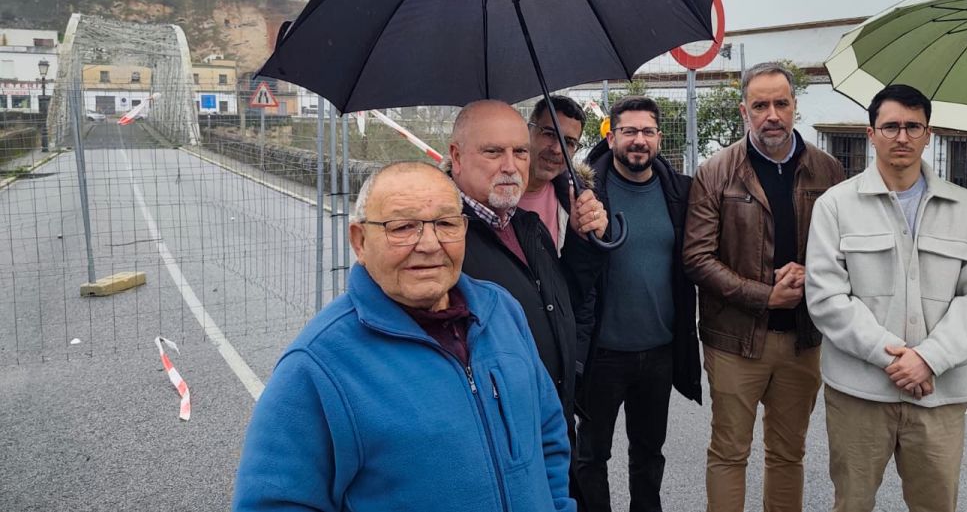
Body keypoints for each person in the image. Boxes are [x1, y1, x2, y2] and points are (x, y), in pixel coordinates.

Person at [232, 162, 573, 512]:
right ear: (360, 241)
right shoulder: (318, 365)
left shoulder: (502, 311)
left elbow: (547, 433)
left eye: (445, 224)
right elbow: (273, 502)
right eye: (403, 227)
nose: (429, 244)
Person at [804, 84, 967, 512]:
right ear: (870, 133)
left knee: (936, 505)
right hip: (860, 392)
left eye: (913, 126)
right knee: (852, 504)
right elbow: (826, 295)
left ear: (928, 134)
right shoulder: (836, 206)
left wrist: (929, 358)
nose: (902, 136)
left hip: (939, 393)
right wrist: (892, 358)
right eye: (891, 126)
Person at [682, 62, 844, 512]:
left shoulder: (828, 171)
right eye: (760, 105)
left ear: (794, 106)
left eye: (780, 103)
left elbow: (847, 250)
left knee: (789, 454)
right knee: (730, 454)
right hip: (735, 341)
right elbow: (696, 258)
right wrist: (763, 294)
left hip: (803, 340)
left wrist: (811, 273)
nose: (771, 114)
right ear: (744, 111)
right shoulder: (715, 173)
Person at [448, 100, 607, 506]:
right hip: (492, 445)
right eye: (492, 151)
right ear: (456, 157)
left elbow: (561, 300)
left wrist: (586, 242)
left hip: (549, 425)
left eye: (519, 152)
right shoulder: (442, 242)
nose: (510, 165)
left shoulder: (527, 226)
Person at [575, 96, 702, 512]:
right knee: (591, 458)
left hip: (658, 352)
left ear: (659, 138)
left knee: (649, 455)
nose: (638, 140)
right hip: (602, 354)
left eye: (647, 131)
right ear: (611, 137)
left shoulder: (680, 192)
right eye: (628, 131)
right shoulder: (585, 193)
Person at [521, 95, 592, 254]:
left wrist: (585, 241)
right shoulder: (488, 195)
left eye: (569, 142)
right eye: (549, 134)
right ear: (527, 130)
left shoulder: (577, 202)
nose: (557, 149)